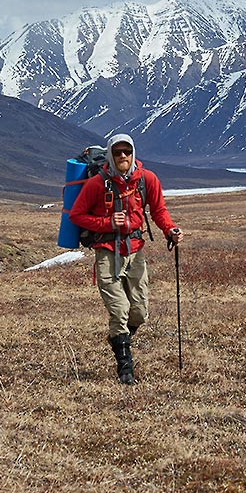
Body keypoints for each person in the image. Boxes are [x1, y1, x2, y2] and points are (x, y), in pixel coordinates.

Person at [68, 133, 182, 384]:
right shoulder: (96, 184)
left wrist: (170, 229)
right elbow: (76, 215)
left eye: (126, 152)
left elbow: (159, 210)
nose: (122, 156)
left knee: (139, 312)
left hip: (135, 250)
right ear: (111, 154)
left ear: (133, 153)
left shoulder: (147, 179)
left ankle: (118, 339)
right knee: (119, 310)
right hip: (107, 251)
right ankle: (125, 366)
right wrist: (105, 222)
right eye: (118, 152)